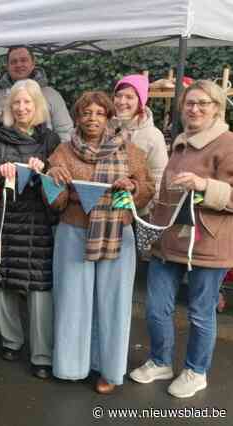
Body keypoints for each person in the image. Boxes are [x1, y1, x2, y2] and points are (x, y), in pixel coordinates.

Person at [129, 80, 233, 398]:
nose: (195, 108)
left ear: (217, 107)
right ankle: (161, 361)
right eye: (189, 103)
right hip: (169, 241)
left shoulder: (228, 144)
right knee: (156, 307)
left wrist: (205, 185)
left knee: (201, 313)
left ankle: (196, 371)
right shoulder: (181, 142)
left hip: (208, 244)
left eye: (203, 103)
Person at [47, 91, 154, 393]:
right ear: (77, 117)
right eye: (85, 113)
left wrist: (132, 187)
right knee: (72, 302)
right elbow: (55, 204)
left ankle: (109, 370)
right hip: (73, 231)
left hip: (118, 234)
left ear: (108, 117)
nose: (92, 118)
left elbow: (147, 189)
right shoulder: (62, 152)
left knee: (114, 303)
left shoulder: (131, 151)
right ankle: (72, 367)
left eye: (98, 113)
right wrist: (53, 181)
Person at [0, 79, 60, 379]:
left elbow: (59, 177)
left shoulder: (50, 140)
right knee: (5, 283)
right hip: (4, 218)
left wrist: (45, 171)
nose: (22, 107)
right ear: (9, 107)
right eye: (16, 102)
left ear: (37, 105)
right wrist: (0, 172)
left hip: (37, 221)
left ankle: (42, 353)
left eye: (27, 102)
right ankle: (11, 340)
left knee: (40, 287)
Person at [110, 74, 168, 215]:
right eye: (118, 95)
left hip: (138, 212)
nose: (122, 101)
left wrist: (154, 210)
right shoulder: (106, 127)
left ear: (140, 102)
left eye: (129, 97)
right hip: (106, 208)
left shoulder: (152, 135)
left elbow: (159, 176)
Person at [0, 46, 73, 142]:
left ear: (33, 63)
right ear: (7, 66)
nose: (19, 65)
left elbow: (65, 132)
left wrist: (56, 155)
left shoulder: (51, 95)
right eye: (13, 62)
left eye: (23, 60)